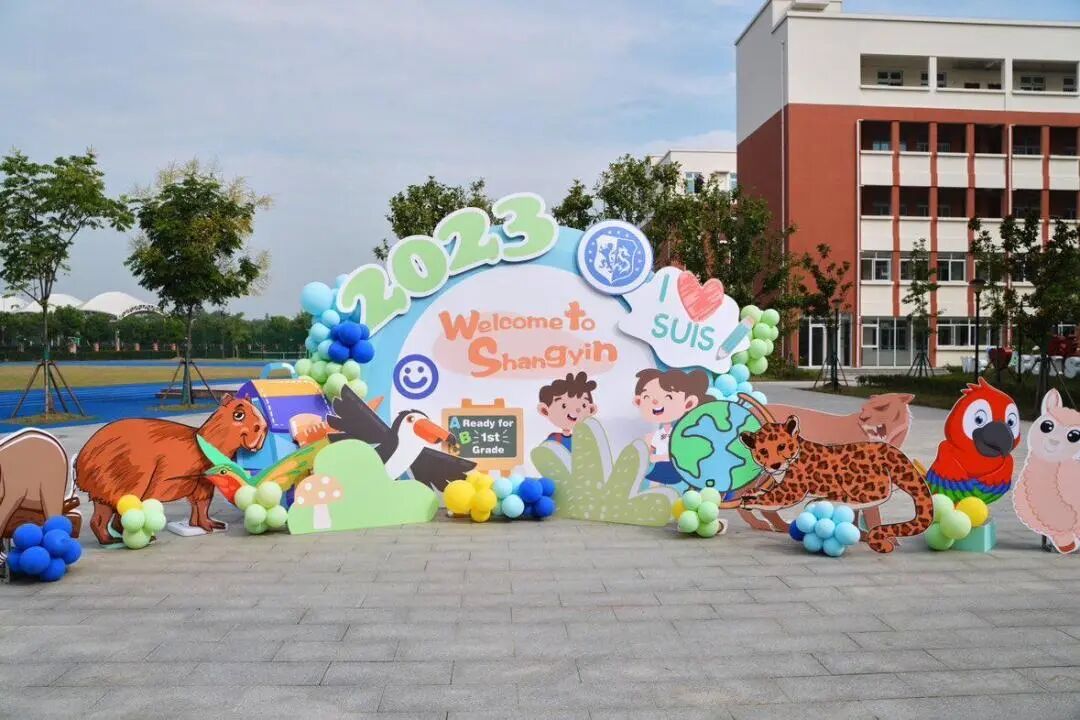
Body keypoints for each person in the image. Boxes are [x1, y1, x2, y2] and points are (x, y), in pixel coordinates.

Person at [633, 368, 711, 484]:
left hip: (678, 473)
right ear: (638, 401)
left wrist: (661, 457)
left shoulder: (685, 434)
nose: (655, 402)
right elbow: (645, 456)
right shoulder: (654, 436)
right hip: (657, 471)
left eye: (668, 397)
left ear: (689, 403)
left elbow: (687, 455)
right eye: (647, 397)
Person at [537, 372, 597, 451]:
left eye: (583, 405)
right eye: (564, 405)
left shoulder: (580, 441)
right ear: (544, 410)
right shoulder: (553, 440)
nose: (576, 411)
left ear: (591, 410)